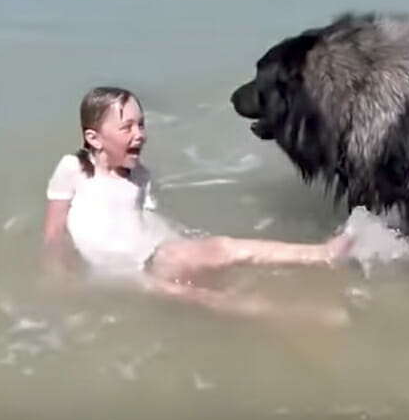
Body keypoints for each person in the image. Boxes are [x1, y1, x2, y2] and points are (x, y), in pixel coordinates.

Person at [42, 86, 354, 324]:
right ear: (94, 139)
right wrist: (57, 271)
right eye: (127, 128)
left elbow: (148, 218)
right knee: (216, 277)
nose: (140, 135)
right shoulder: (72, 168)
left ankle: (306, 313)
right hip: (128, 270)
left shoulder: (140, 176)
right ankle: (316, 267)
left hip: (158, 254)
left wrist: (187, 242)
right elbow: (54, 231)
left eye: (142, 124)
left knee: (219, 281)